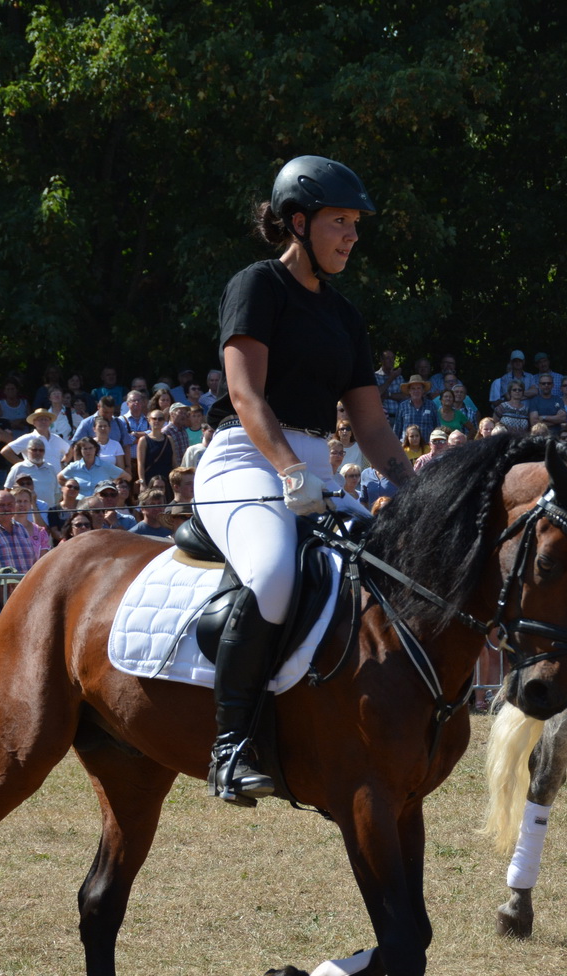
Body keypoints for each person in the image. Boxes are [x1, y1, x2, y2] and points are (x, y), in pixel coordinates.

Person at [194, 155, 402, 804]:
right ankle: (230, 747)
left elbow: (370, 427)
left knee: (395, 570)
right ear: (299, 221)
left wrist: (416, 492)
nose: (351, 236)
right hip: (242, 459)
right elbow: (244, 392)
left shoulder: (344, 315)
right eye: (340, 222)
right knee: (275, 573)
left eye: (356, 225)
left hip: (318, 467)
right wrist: (287, 470)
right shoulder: (258, 285)